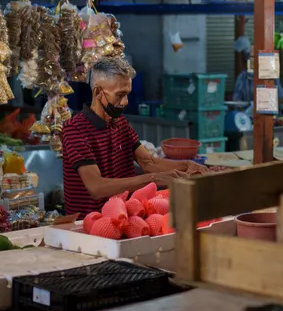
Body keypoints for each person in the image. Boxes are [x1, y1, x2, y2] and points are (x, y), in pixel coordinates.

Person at [61, 56, 208, 216]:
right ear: (98, 92)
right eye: (120, 95)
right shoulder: (74, 129)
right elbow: (96, 187)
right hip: (87, 223)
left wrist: (187, 165)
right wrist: (152, 178)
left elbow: (149, 162)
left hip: (124, 217)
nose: (125, 102)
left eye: (127, 94)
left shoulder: (120, 123)